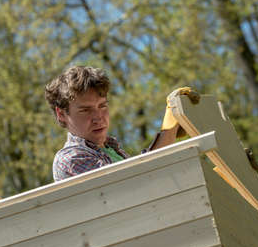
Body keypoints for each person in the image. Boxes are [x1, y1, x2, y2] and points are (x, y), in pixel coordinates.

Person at [45, 65, 185, 182]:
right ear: (61, 114)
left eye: (102, 106)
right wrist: (168, 132)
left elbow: (141, 174)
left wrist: (174, 126)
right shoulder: (71, 158)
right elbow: (136, 184)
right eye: (86, 110)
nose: (98, 118)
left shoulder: (110, 149)